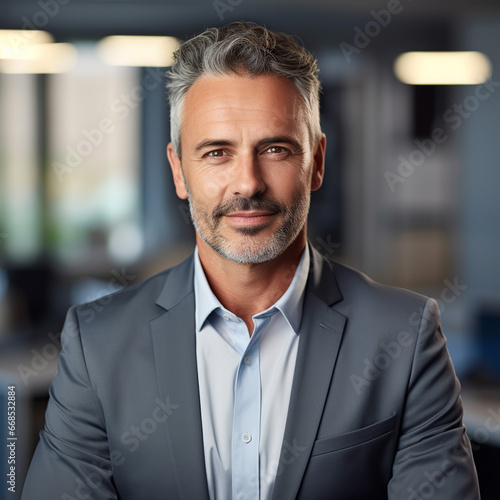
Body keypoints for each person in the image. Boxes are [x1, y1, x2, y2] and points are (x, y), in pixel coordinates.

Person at [22, 22, 480, 500]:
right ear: (179, 170)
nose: (248, 183)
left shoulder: (405, 337)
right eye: (217, 152)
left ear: (317, 162)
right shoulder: (97, 345)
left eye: (275, 149)